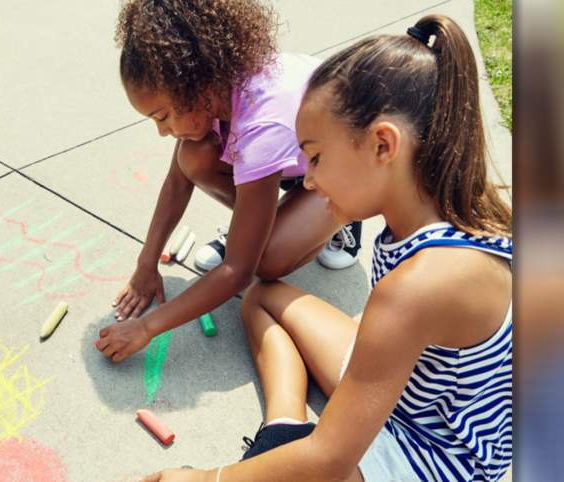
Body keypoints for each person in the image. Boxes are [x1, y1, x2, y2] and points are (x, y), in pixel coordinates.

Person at [141, 14, 512, 482]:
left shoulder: (418, 286)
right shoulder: (464, 216)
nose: (309, 180)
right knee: (263, 297)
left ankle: (283, 440)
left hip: (428, 464)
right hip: (415, 399)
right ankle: (284, 421)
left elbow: (329, 461)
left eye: (316, 157)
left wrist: (205, 478)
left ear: (382, 145)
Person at [96, 0, 361, 363]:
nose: (161, 132)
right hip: (296, 161)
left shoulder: (262, 124)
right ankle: (253, 228)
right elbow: (178, 182)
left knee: (264, 260)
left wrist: (147, 328)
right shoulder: (213, 90)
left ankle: (344, 217)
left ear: (199, 89)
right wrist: (146, 264)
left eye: (163, 117)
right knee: (193, 156)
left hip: (345, 168)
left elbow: (238, 273)